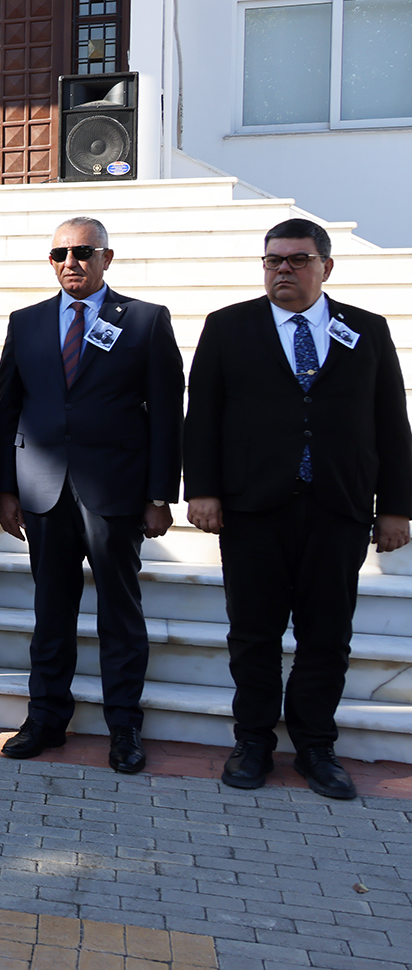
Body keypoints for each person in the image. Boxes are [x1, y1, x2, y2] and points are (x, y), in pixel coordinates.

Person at [185, 217, 411, 800]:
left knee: (326, 635)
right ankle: (253, 741)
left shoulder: (366, 329)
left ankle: (315, 746)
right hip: (253, 509)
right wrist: (202, 490)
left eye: (297, 260)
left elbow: (391, 421)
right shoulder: (228, 326)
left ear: (326, 267)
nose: (283, 269)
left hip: (338, 507)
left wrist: (396, 507)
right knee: (253, 633)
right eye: (273, 260)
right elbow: (202, 416)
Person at [0, 218, 183, 774]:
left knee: (120, 613)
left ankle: (123, 725)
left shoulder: (145, 319)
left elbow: (166, 410)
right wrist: (5, 488)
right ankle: (45, 718)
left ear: (107, 257)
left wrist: (160, 494)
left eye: (82, 252)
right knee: (50, 611)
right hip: (43, 490)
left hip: (117, 490)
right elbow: (7, 409)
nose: (70, 262)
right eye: (60, 254)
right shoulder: (26, 321)